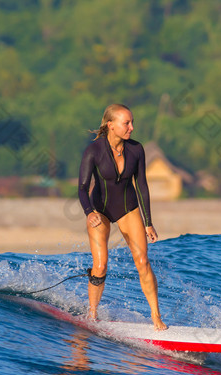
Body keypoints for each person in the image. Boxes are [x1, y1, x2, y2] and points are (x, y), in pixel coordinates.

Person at [78, 104, 168, 331]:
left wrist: (148, 222)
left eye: (131, 122)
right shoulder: (94, 151)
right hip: (100, 211)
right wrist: (89, 213)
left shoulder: (136, 150)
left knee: (143, 261)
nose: (132, 127)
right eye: (126, 123)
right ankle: (92, 314)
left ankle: (156, 316)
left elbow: (142, 186)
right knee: (100, 265)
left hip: (128, 208)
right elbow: (82, 188)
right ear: (111, 125)